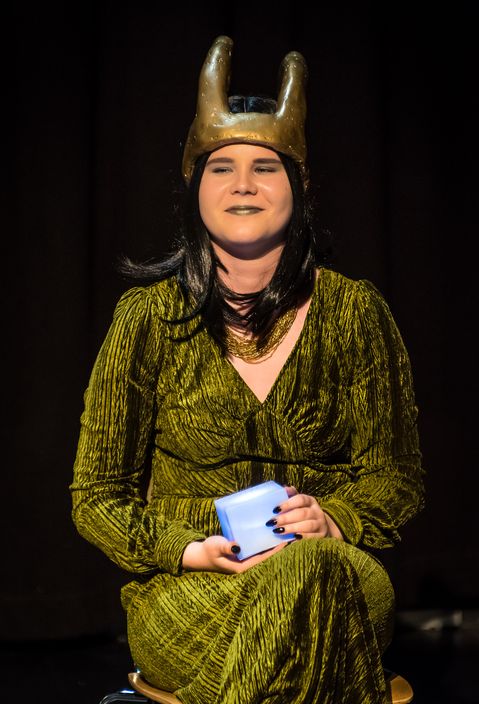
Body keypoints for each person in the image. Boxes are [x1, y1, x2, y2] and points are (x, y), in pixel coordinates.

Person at [70, 35, 425, 704]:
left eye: (264, 166)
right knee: (306, 614)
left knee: (315, 574)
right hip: (192, 589)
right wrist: (187, 549)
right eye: (220, 167)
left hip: (336, 572)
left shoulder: (355, 312)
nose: (242, 185)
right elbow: (97, 497)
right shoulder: (147, 319)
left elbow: (397, 478)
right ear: (193, 186)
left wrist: (334, 520)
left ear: (299, 185)